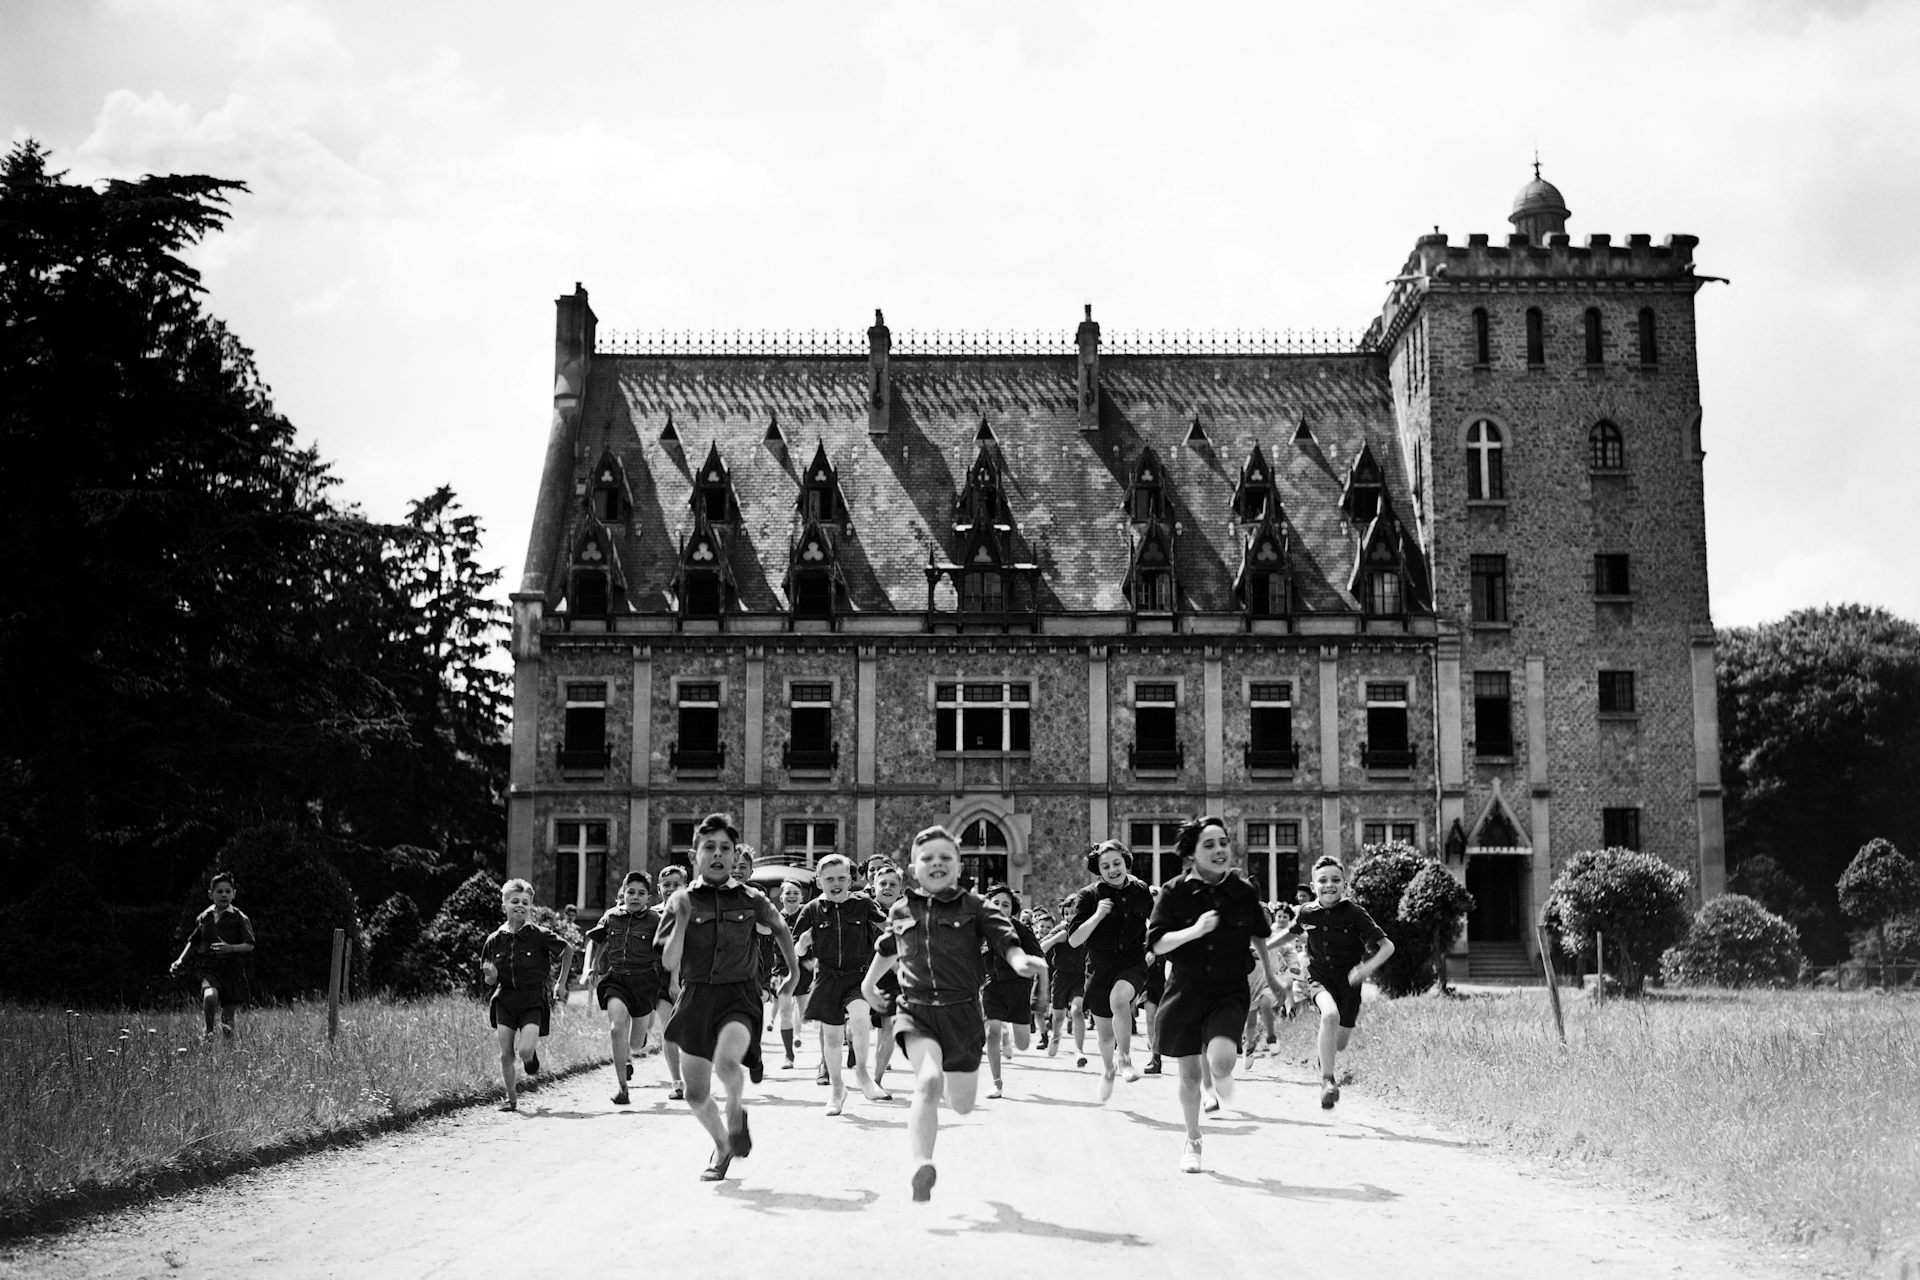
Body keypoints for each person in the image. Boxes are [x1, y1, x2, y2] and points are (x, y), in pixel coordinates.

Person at [862, 826, 1046, 1202]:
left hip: (962, 1013)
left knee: (961, 1104)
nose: (936, 863)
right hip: (916, 1011)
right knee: (927, 1081)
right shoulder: (902, 908)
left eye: (946, 857)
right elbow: (888, 949)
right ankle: (920, 1165)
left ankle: (954, 1079)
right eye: (927, 858)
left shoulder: (977, 907)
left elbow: (1005, 939)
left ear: (959, 867)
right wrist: (868, 986)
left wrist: (1018, 959)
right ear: (914, 869)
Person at [657, 814, 798, 1180]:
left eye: (725, 848)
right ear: (694, 856)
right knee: (695, 1094)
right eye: (709, 848)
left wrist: (793, 972)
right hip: (695, 997)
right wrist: (684, 919)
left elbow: (781, 929)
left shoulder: (752, 898)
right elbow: (669, 960)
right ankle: (722, 1145)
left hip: (739, 996)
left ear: (734, 855)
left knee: (726, 1061)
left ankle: (735, 1110)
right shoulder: (680, 900)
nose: (718, 855)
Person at [1148, 816, 1285, 1172]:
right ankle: (1193, 1139)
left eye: (1223, 843)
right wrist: (1193, 930)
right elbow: (1159, 942)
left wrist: (1271, 975)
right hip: (1185, 989)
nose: (1219, 850)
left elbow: (1259, 934)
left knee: (1222, 1059)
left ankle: (1222, 1076)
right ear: (1192, 853)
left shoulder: (1243, 892)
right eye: (1209, 845)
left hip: (1228, 989)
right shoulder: (1173, 891)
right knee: (1190, 1075)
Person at [1275, 854, 1394, 1110]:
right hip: (1319, 976)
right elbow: (1290, 933)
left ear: (1345, 884)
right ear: (1313, 885)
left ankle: (1326, 1059)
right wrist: (1261, 946)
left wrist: (1366, 969)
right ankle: (1327, 1082)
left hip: (1350, 982)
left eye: (1335, 880)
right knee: (1329, 1016)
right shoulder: (1307, 912)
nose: (1329, 885)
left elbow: (1387, 946)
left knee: (1339, 1043)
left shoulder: (1354, 912)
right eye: (1323, 880)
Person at [788, 853, 892, 1114]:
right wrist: (803, 944)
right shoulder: (811, 909)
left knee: (859, 1018)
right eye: (830, 878)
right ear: (819, 881)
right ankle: (837, 1089)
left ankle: (863, 1076)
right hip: (826, 976)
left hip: (858, 974)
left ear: (850, 880)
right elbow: (797, 951)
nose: (836, 883)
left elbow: (887, 926)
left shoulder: (863, 903)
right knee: (832, 1038)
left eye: (842, 878)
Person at [1066, 840, 1155, 1100]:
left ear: (1126, 862)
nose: (1112, 869)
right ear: (1098, 869)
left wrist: (1154, 948)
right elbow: (1073, 940)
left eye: (1117, 863)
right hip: (1099, 966)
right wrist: (1097, 915)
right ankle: (1108, 1069)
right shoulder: (1089, 896)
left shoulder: (1140, 891)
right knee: (1105, 1034)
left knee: (1120, 1000)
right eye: (1105, 866)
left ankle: (1126, 1058)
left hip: (1132, 961)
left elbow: (1156, 922)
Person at [479, 878, 574, 1113]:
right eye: (514, 901)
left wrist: (560, 984)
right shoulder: (494, 940)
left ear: (530, 906)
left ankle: (531, 1059)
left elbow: (567, 950)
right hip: (505, 1000)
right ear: (504, 906)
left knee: (523, 1051)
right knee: (505, 1054)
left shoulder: (539, 935)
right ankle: (511, 1099)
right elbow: (489, 980)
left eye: (525, 902)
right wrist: (490, 976)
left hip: (533, 999)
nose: (519, 905)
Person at [581, 871, 660, 1105]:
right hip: (617, 980)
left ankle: (639, 1040)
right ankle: (622, 1088)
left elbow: (669, 949)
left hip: (644, 983)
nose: (635, 897)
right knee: (616, 1029)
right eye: (631, 892)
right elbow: (594, 942)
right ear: (622, 894)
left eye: (641, 893)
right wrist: (588, 968)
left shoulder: (655, 920)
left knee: (635, 1043)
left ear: (649, 897)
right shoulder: (610, 916)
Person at [170, 870, 255, 1040]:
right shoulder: (204, 917)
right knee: (210, 996)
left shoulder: (239, 918)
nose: (224, 895)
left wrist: (230, 948)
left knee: (228, 1016)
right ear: (211, 894)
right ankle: (208, 1033)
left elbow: (249, 945)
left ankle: (229, 1050)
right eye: (219, 891)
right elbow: (194, 942)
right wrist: (180, 960)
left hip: (233, 970)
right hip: (210, 968)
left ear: (234, 894)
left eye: (228, 891)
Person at [980, 883, 1043, 1099]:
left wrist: (1028, 966)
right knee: (992, 1032)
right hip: (991, 987)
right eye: (995, 903)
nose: (999, 907)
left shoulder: (1022, 930)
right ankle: (997, 1083)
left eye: (1005, 905)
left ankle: (1009, 1034)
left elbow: (1039, 956)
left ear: (1012, 909)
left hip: (1018, 989)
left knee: (1023, 1044)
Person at [865, 861, 905, 1083]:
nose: (887, 887)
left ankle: (877, 1080)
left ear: (900, 890)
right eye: (883, 884)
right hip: (863, 976)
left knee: (888, 1028)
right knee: (856, 1030)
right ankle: (856, 1060)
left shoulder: (906, 914)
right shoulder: (863, 910)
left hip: (892, 980)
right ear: (873, 887)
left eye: (893, 884)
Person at [652, 863, 690, 1097]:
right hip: (658, 980)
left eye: (677, 885)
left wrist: (676, 980)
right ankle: (677, 1081)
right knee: (669, 1030)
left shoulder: (689, 912)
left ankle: (694, 1075)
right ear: (659, 889)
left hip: (688, 977)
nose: (671, 889)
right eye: (666, 885)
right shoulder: (652, 914)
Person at [1039, 904, 1088, 1065]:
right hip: (1061, 977)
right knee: (1059, 1016)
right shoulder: (1061, 929)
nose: (1070, 916)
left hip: (1081, 978)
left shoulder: (1088, 929)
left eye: (1073, 912)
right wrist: (1056, 939)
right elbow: (1041, 948)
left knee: (1077, 1011)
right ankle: (1055, 1036)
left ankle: (1079, 1051)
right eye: (1066, 913)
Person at [771, 879, 810, 1069]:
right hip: (782, 970)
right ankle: (789, 1055)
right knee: (785, 1010)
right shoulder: (775, 919)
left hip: (804, 969)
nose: (792, 896)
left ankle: (799, 1035)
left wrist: (814, 959)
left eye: (796, 893)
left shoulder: (808, 916)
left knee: (803, 1012)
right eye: (788, 893)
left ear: (802, 897)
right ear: (781, 897)